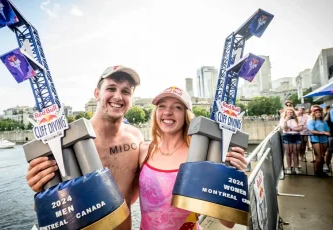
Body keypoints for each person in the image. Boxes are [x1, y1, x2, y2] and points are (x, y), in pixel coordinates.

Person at [26, 65, 144, 229]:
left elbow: (134, 193)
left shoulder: (136, 137)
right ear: (97, 93)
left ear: (131, 100)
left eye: (126, 91)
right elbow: (50, 201)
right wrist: (38, 183)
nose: (118, 96)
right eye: (111, 88)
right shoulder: (68, 142)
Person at [136, 86, 247, 229]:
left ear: (186, 115)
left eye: (177, 107)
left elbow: (228, 222)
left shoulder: (200, 157)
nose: (168, 112)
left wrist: (234, 177)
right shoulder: (144, 151)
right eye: (162, 106)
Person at [307, 105, 330, 177]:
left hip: (324, 139)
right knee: (319, 156)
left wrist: (325, 132)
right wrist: (323, 132)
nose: (318, 113)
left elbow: (328, 130)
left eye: (319, 112)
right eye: (316, 112)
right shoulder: (311, 121)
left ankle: (321, 170)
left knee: (322, 156)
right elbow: (312, 131)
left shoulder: (324, 121)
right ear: (314, 113)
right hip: (315, 139)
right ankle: (317, 171)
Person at [279, 107, 302, 174]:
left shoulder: (297, 119)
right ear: (286, 113)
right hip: (287, 136)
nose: (290, 114)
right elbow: (284, 128)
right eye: (288, 112)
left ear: (293, 113)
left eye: (291, 112)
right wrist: (285, 121)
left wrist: (292, 129)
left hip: (296, 136)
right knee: (288, 152)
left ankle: (296, 167)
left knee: (295, 152)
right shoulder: (283, 119)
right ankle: (289, 167)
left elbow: (300, 128)